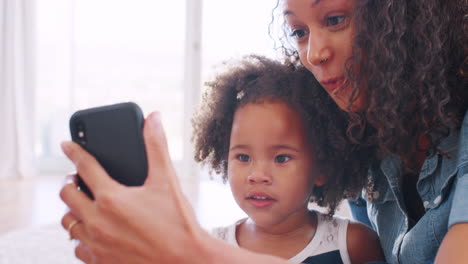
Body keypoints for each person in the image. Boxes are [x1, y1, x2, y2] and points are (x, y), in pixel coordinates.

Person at [59, 0, 467, 263]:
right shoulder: (367, 139)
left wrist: (188, 251)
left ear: (405, 16)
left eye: (336, 19)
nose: (314, 53)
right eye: (299, 31)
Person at [191, 55, 384, 263]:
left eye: (281, 158)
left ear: (322, 167)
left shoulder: (354, 245)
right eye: (243, 157)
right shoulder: (210, 249)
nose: (257, 176)